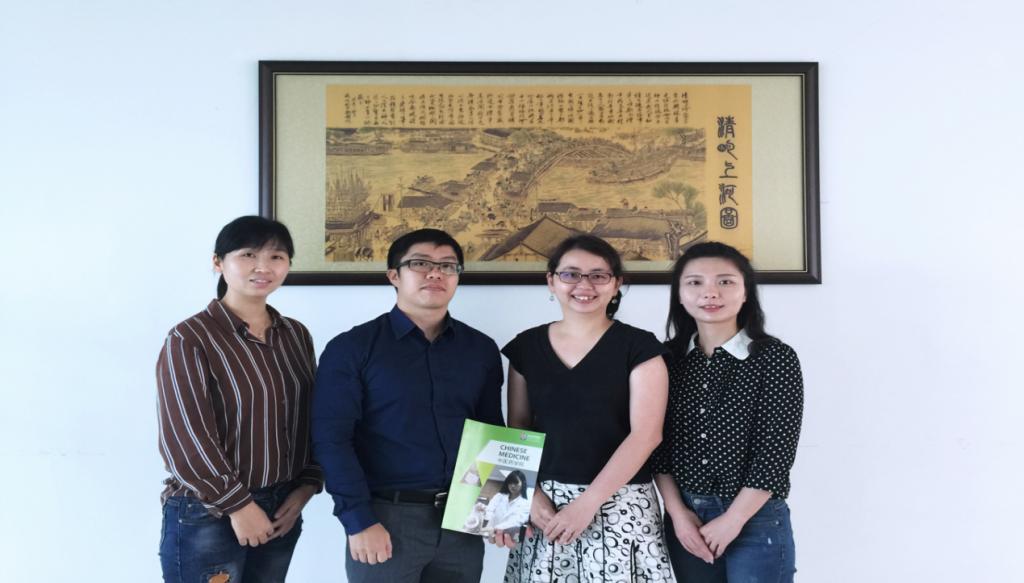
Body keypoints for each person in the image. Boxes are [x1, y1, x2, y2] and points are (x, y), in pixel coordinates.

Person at [312, 228, 504, 583]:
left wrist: (500, 510)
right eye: (420, 264)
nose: (436, 273)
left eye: (448, 266)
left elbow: (491, 431)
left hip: (462, 520)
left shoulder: (480, 349)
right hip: (385, 518)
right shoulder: (352, 348)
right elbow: (331, 439)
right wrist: (358, 520)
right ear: (394, 276)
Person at [156, 216, 322, 583]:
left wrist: (306, 486)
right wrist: (239, 506)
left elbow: (312, 416)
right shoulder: (190, 338)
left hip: (282, 507)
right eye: (248, 255)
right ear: (218, 262)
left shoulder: (295, 335)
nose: (263, 267)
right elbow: (185, 438)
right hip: (210, 511)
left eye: (276, 257)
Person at [499, 234, 673, 582]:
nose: (584, 285)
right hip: (545, 503)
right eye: (571, 274)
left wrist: (588, 503)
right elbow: (517, 429)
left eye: (598, 275)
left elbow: (646, 435)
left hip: (620, 502)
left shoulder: (640, 347)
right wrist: (527, 496)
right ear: (551, 281)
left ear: (616, 284)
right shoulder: (526, 347)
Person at [652, 242, 804, 582]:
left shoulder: (774, 358)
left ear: (745, 292)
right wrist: (677, 515)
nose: (710, 292)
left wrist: (733, 520)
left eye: (725, 281)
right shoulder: (666, 359)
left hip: (755, 518)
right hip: (687, 519)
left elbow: (775, 452)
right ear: (679, 295)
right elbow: (657, 448)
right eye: (695, 282)